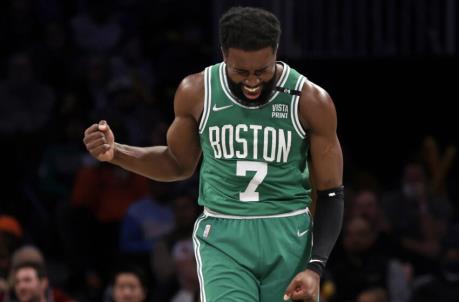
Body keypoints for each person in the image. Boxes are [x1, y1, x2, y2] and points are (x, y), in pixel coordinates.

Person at [83, 6, 344, 302]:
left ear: (276, 52)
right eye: (241, 71)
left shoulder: (310, 100)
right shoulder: (196, 92)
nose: (252, 82)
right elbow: (177, 163)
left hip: (289, 233)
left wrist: (316, 266)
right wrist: (116, 153)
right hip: (223, 234)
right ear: (223, 54)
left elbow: (331, 193)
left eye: (262, 70)